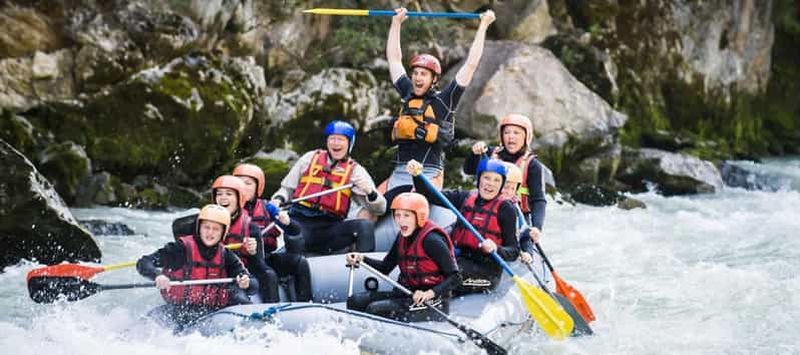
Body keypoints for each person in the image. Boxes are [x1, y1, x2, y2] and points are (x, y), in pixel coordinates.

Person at [382, 7, 496, 201]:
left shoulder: (445, 100)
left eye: (423, 74)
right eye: (415, 73)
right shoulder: (407, 92)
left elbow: (471, 64)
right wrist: (396, 24)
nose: (418, 78)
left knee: (410, 203)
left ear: (433, 79)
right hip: (400, 170)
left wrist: (483, 25)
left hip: (430, 172)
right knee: (367, 210)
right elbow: (394, 59)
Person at [271, 120, 386, 255]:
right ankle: (292, 266)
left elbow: (380, 209)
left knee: (364, 226)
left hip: (329, 227)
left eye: (341, 139)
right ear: (327, 141)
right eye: (332, 138)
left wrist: (370, 192)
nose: (336, 143)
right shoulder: (309, 158)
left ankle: (364, 267)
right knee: (296, 235)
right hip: (300, 221)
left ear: (350, 143)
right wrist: (278, 199)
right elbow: (286, 189)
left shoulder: (356, 171)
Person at [345, 192, 460, 322]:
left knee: (375, 309)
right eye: (397, 215)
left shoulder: (431, 240)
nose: (401, 220)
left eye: (406, 215)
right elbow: (385, 267)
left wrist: (428, 294)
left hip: (434, 301)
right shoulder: (402, 237)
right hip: (407, 293)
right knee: (355, 301)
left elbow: (455, 277)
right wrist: (362, 258)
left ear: (419, 216)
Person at [409, 158, 518, 294]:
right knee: (425, 266)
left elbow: (514, 251)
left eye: (497, 180)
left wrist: (496, 249)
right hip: (459, 259)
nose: (490, 184)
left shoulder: (506, 209)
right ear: (479, 180)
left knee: (444, 276)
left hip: (486, 272)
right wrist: (417, 175)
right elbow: (429, 195)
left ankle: (432, 298)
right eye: (487, 178)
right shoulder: (465, 197)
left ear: (502, 185)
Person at [137, 204, 252, 330]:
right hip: (180, 309)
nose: (210, 233)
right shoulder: (180, 249)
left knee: (239, 296)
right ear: (199, 228)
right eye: (206, 227)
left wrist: (245, 281)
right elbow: (144, 262)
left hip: (214, 311)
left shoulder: (226, 255)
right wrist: (157, 275)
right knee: (147, 324)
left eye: (216, 229)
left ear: (223, 232)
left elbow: (251, 282)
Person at [464, 114, 547, 252]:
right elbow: (469, 170)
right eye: (507, 132)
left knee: (522, 241)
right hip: (484, 209)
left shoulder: (533, 165)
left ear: (526, 137)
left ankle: (523, 253)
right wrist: (474, 154)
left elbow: (538, 200)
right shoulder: (490, 154)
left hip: (516, 215)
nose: (511, 137)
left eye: (516, 133)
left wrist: (537, 227)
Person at [232, 163, 312, 301]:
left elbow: (295, 230)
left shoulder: (267, 207)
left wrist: (287, 222)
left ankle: (305, 303)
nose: (243, 187)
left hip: (265, 257)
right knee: (268, 274)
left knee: (300, 262)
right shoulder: (228, 209)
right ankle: (271, 313)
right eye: (239, 183)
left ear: (258, 187)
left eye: (248, 183)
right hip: (242, 261)